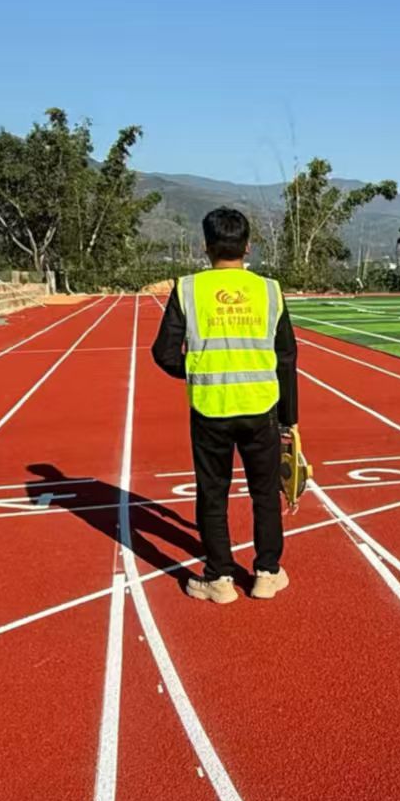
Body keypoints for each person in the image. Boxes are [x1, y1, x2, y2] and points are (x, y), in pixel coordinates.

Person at [151, 207, 299, 603]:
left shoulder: (187, 289)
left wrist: (201, 370)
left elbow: (164, 353)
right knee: (265, 492)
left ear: (206, 247)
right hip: (261, 408)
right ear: (248, 246)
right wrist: (290, 419)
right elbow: (286, 357)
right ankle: (267, 573)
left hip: (210, 408)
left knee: (212, 494)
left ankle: (219, 580)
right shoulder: (269, 290)